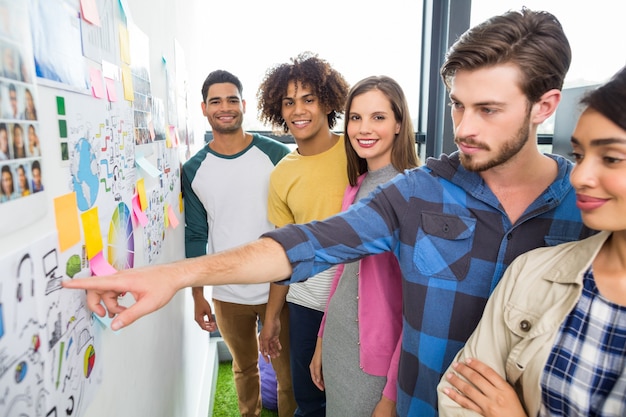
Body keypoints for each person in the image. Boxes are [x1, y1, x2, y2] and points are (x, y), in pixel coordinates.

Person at [62, 9, 593, 416]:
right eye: (457, 104)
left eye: (488, 110)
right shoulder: (418, 191)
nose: (463, 127)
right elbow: (304, 243)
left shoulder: (593, 206)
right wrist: (177, 275)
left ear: (544, 107)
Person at [438, 66, 626, 417]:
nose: (581, 176)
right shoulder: (532, 272)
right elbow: (459, 394)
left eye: (612, 159)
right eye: (580, 155)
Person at [184, 70, 296, 417]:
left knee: (287, 374)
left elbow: (293, 221)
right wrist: (197, 294)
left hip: (278, 286)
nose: (225, 107)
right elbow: (196, 235)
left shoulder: (276, 153)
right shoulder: (194, 169)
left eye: (232, 99)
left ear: (244, 105)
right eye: (216, 101)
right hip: (228, 292)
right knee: (244, 368)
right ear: (204, 108)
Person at [309, 75, 419, 416]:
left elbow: (419, 309)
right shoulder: (356, 187)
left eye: (378, 117)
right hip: (340, 340)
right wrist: (322, 340)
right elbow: (344, 272)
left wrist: (390, 395)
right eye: (355, 118)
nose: (363, 129)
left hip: (379, 360)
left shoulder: (415, 192)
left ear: (399, 123)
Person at [256, 51, 350, 417]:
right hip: (307, 302)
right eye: (288, 101)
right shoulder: (281, 174)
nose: (299, 110)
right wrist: (272, 316)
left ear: (327, 101)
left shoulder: (357, 151)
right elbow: (285, 253)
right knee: (309, 400)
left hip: (356, 300)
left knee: (353, 396)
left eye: (308, 98)